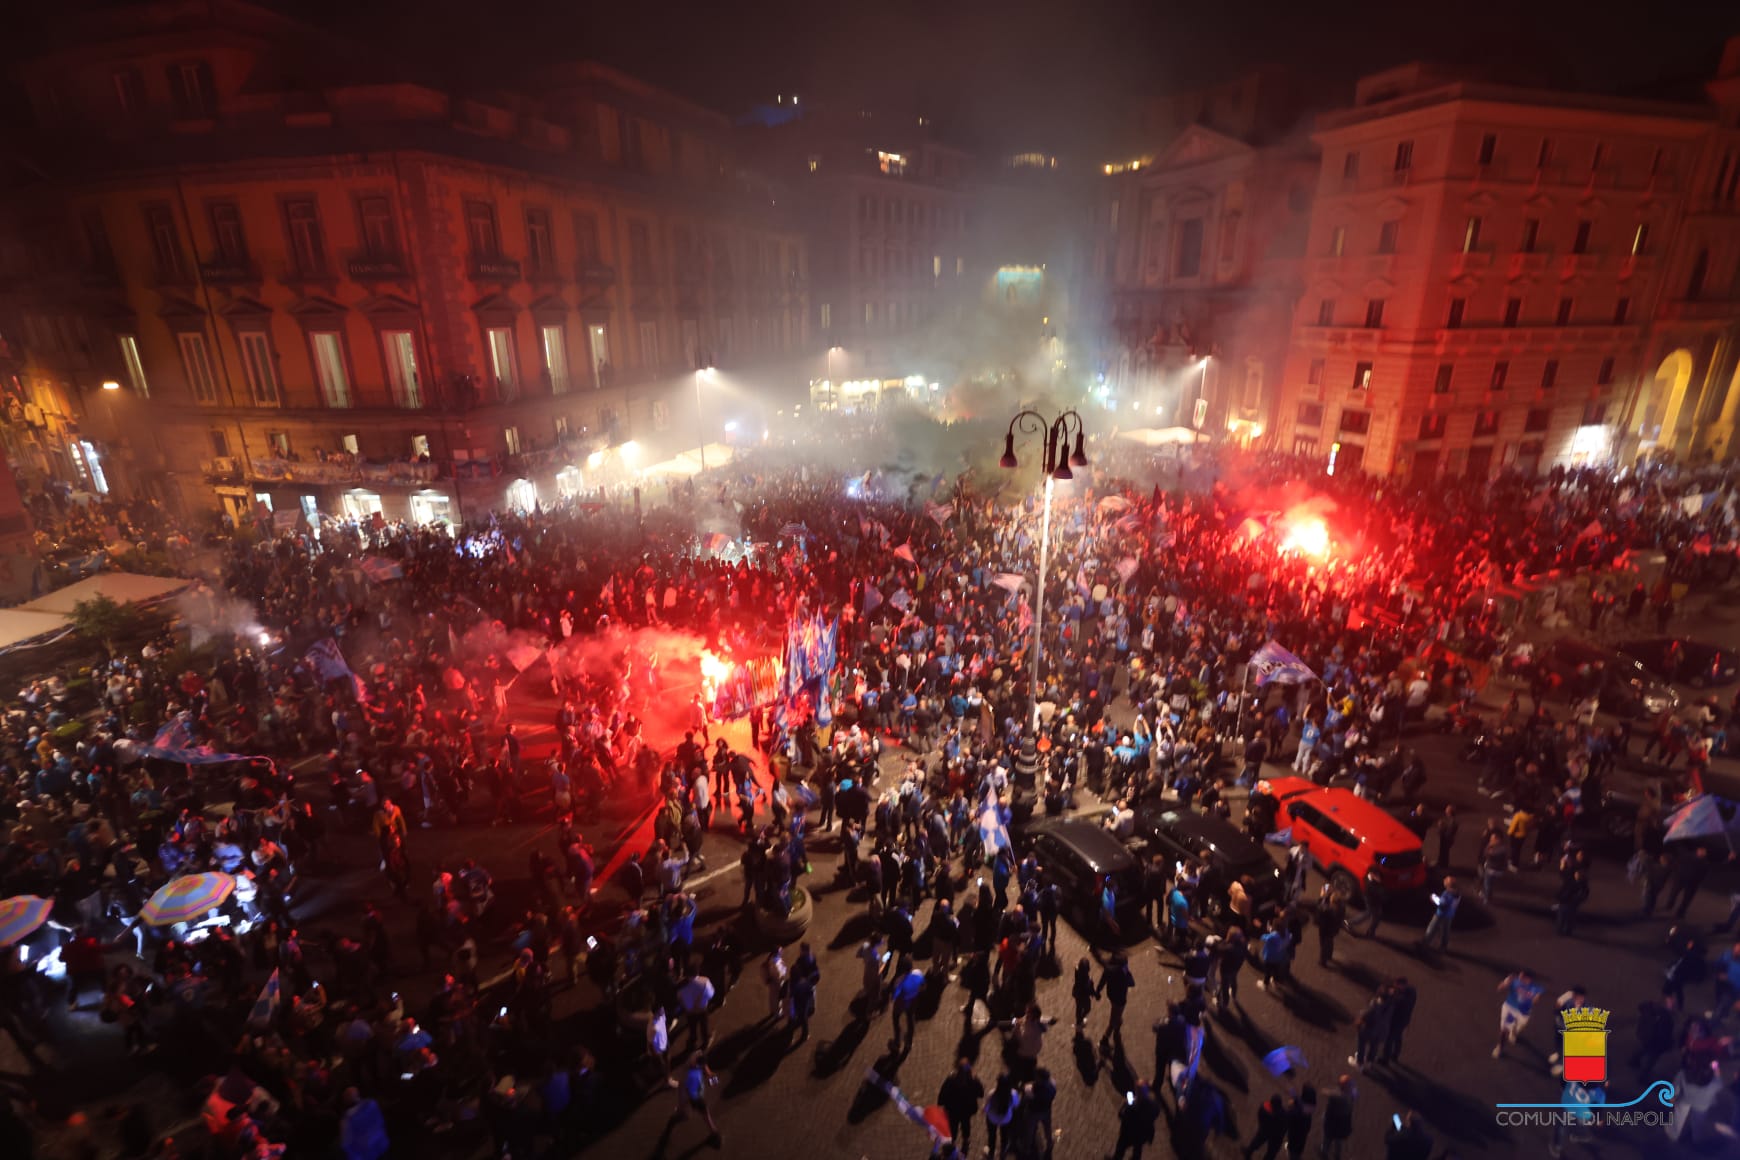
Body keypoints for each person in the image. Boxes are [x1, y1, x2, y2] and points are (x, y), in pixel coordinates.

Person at [1494, 968, 1544, 1059]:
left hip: (1524, 1012)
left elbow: (1536, 999)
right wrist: (1506, 982)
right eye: (1520, 976)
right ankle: (1499, 1048)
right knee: (1504, 1030)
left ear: (1528, 979)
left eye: (1522, 977)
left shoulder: (1536, 988)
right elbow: (1499, 988)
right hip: (1510, 1008)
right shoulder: (1514, 981)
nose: (1520, 979)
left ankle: (1513, 1032)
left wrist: (1535, 998)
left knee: (1520, 1026)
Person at [937, 1059, 984, 1155]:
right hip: (967, 1110)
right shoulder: (974, 1081)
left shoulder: (951, 1080)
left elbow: (943, 1093)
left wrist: (941, 1103)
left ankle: (952, 1143)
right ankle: (966, 1141)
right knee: (966, 1124)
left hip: (952, 1110)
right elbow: (981, 1094)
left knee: (952, 1126)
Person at [672, 1051, 720, 1143]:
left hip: (690, 1092)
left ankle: (682, 1113)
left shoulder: (698, 1056)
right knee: (701, 1111)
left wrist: (710, 1075)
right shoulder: (688, 1072)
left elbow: (705, 1068)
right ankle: (714, 1133)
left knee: (702, 1111)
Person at [1111, 1079, 1160, 1160]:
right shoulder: (1154, 1105)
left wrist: (1127, 1104)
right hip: (1142, 1134)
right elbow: (1156, 1113)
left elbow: (1121, 1115)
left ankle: (1117, 1158)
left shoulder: (1132, 1106)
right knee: (1137, 1149)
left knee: (1121, 1146)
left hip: (1129, 1133)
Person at [1097, 952, 1135, 1054]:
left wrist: (1098, 991)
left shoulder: (1109, 969)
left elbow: (1102, 981)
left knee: (1117, 1016)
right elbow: (1131, 982)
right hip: (1120, 999)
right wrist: (1127, 973)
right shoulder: (1122, 971)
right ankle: (1104, 1040)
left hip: (1112, 995)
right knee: (1114, 1019)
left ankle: (1117, 1030)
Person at [983, 1072, 1020, 1159]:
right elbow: (1016, 1105)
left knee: (992, 1135)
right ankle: (1003, 1152)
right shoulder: (1013, 1094)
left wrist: (984, 1110)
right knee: (1005, 1135)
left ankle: (991, 1152)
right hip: (1006, 1119)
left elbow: (986, 1108)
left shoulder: (992, 1093)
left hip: (992, 1118)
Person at [1320, 1074, 1357, 1159]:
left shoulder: (1337, 1097)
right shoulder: (1351, 1096)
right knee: (1338, 1143)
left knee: (1327, 1140)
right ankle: (1337, 1156)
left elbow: (1325, 1092)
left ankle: (1324, 1153)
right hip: (1343, 1126)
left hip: (1332, 1125)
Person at [1419, 878, 1460, 952]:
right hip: (1450, 915)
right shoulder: (1457, 895)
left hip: (1440, 914)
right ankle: (1443, 946)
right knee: (1445, 931)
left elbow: (1441, 904)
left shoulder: (1447, 894)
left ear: (1448, 886)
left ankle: (1425, 943)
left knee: (1432, 928)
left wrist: (1434, 898)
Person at [1072, 956, 1096, 1031]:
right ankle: (1080, 1021)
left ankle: (1079, 1021)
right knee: (1087, 1008)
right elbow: (1090, 990)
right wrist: (1095, 994)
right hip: (1084, 996)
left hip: (1077, 993)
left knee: (1078, 1007)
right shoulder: (1088, 981)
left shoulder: (1077, 971)